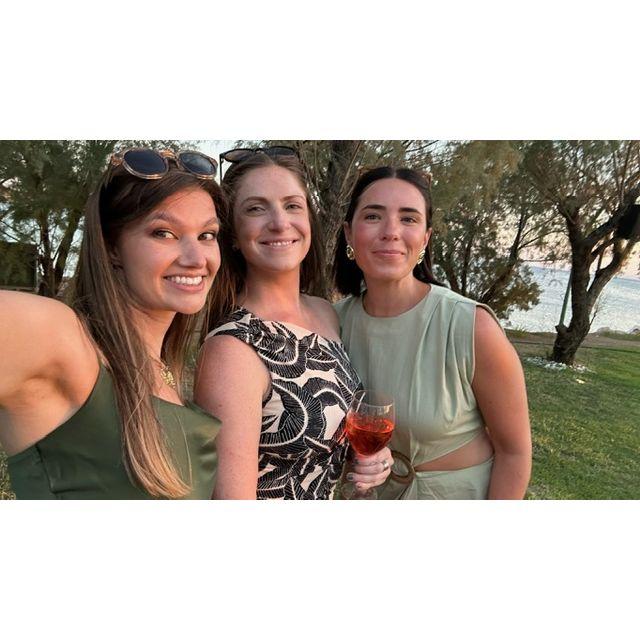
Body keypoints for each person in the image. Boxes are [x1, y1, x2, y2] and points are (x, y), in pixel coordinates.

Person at [0, 148, 226, 499]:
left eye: (206, 235)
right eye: (163, 233)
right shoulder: (63, 340)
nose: (197, 258)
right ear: (112, 248)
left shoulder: (164, 371)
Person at [195, 147, 392, 499]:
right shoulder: (232, 349)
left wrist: (370, 456)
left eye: (292, 205)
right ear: (233, 235)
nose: (279, 222)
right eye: (256, 209)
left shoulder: (324, 313)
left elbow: (324, 436)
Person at [333, 166, 532, 499]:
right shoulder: (332, 324)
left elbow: (514, 452)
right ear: (349, 234)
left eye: (408, 219)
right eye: (373, 216)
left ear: (425, 238)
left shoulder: (470, 326)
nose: (391, 231)